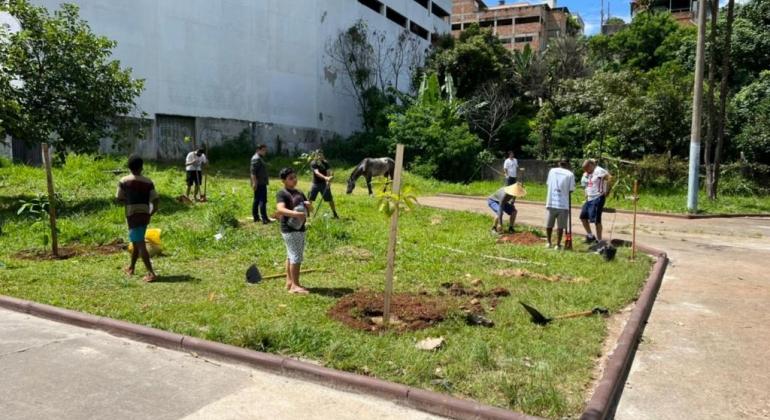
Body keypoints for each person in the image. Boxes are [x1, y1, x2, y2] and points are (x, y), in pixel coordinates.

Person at [116, 156, 159, 282]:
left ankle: (151, 273)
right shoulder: (148, 181)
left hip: (132, 215)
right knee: (136, 241)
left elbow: (119, 197)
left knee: (140, 243)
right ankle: (131, 267)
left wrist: (128, 200)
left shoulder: (124, 180)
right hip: (145, 214)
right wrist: (152, 211)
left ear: (129, 167)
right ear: (142, 167)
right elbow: (156, 199)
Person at [276, 167, 313, 294]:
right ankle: (295, 286)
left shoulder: (299, 192)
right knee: (296, 257)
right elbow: (280, 209)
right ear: (284, 181)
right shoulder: (282, 193)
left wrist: (309, 206)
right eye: (290, 178)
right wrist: (296, 214)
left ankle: (289, 282)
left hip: (300, 228)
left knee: (290, 255)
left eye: (295, 177)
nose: (294, 180)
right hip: (290, 229)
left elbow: (310, 210)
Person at [544, 159, 576, 249]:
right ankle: (558, 245)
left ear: (559, 163)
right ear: (568, 164)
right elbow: (571, 190)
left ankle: (549, 242)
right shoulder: (570, 174)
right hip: (563, 204)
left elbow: (548, 184)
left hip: (551, 202)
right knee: (560, 226)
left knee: (549, 224)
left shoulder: (552, 171)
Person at [580, 159, 611, 243]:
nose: (586, 171)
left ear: (591, 165)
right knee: (583, 216)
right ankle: (590, 236)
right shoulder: (588, 173)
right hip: (589, 198)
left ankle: (599, 240)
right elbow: (586, 185)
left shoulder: (599, 171)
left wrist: (607, 191)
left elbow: (609, 178)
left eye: (587, 169)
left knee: (596, 220)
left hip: (598, 197)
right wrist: (586, 194)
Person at [309, 151, 339, 219]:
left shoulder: (325, 163)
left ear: (323, 156)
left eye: (321, 155)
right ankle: (308, 215)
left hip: (324, 184)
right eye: (318, 155)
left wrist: (328, 182)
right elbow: (316, 173)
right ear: (316, 156)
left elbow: (328, 172)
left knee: (330, 200)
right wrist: (326, 178)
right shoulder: (314, 163)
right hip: (315, 184)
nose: (320, 157)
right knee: (309, 200)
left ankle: (335, 214)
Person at [250, 144, 272, 224]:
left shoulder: (259, 158)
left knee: (257, 199)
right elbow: (253, 173)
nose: (265, 152)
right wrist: (255, 183)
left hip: (261, 182)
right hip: (259, 183)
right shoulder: (256, 159)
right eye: (263, 150)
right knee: (262, 200)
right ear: (258, 150)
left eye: (265, 150)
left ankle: (256, 217)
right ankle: (264, 219)